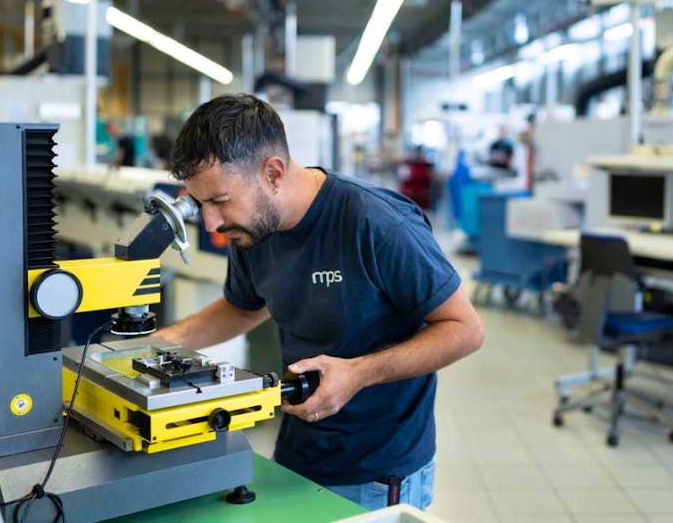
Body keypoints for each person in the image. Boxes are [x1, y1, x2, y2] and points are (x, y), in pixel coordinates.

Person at [157, 94, 484, 510]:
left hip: (377, 471)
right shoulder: (254, 229)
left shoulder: (375, 222)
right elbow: (244, 306)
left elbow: (465, 329)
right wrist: (156, 345)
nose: (212, 223)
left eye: (220, 201)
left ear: (273, 173)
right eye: (201, 204)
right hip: (297, 453)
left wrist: (359, 373)